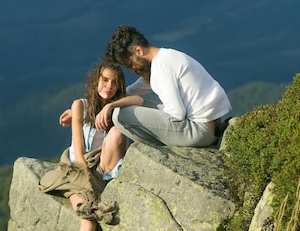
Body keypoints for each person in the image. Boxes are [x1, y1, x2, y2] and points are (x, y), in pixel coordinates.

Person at [39, 59, 138, 231]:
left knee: (117, 132)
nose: (109, 85)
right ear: (96, 81)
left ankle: (103, 184)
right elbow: (80, 156)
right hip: (76, 172)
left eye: (114, 82)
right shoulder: (79, 105)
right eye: (105, 80)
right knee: (88, 227)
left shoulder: (115, 107)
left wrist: (115, 106)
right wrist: (91, 193)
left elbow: (140, 101)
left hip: (102, 170)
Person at [99, 24, 232, 148]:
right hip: (210, 125)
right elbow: (131, 91)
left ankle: (156, 149)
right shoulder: (166, 58)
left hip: (199, 131)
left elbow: (176, 113)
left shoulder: (161, 67)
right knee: (126, 106)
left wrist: (114, 107)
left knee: (121, 115)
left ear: (138, 50)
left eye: (130, 64)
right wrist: (108, 103)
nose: (133, 70)